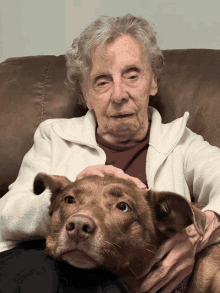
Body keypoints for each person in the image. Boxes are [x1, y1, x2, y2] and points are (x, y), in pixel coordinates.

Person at [1, 13, 220, 293]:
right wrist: (67, 198)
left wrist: (196, 236)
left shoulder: (182, 143)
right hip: (45, 270)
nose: (119, 95)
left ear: (152, 81)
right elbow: (6, 214)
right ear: (85, 93)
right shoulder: (54, 135)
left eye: (132, 75)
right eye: (102, 82)